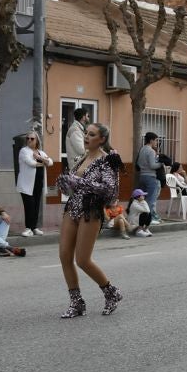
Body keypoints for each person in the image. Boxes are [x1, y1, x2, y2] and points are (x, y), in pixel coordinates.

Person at [54, 122, 124, 318]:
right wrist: (65, 183)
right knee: (64, 256)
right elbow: (75, 187)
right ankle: (76, 303)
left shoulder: (108, 161)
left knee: (83, 260)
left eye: (92, 134)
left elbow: (110, 191)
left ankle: (111, 292)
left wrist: (79, 181)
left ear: (101, 139)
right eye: (86, 133)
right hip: (72, 208)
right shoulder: (81, 157)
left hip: (91, 211)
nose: (86, 137)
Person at [16, 132, 53, 235]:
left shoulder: (41, 152)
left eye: (32, 139)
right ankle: (28, 228)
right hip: (26, 184)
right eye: (27, 138)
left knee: (36, 205)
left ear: (37, 140)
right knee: (29, 206)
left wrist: (40, 158)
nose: (29, 140)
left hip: (38, 183)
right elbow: (31, 163)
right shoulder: (24, 151)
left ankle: (34, 227)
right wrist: (43, 162)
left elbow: (50, 162)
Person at [135, 131, 164, 222]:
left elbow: (138, 164)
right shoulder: (151, 151)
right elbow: (152, 165)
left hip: (142, 176)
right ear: (151, 140)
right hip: (151, 177)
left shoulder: (142, 149)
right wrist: (161, 163)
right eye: (156, 140)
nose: (156, 142)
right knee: (150, 199)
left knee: (141, 199)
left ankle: (140, 218)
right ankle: (148, 219)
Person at [64, 105, 89, 173]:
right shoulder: (75, 130)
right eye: (88, 116)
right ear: (83, 117)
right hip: (77, 166)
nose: (88, 118)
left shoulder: (79, 129)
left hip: (79, 166)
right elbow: (81, 150)